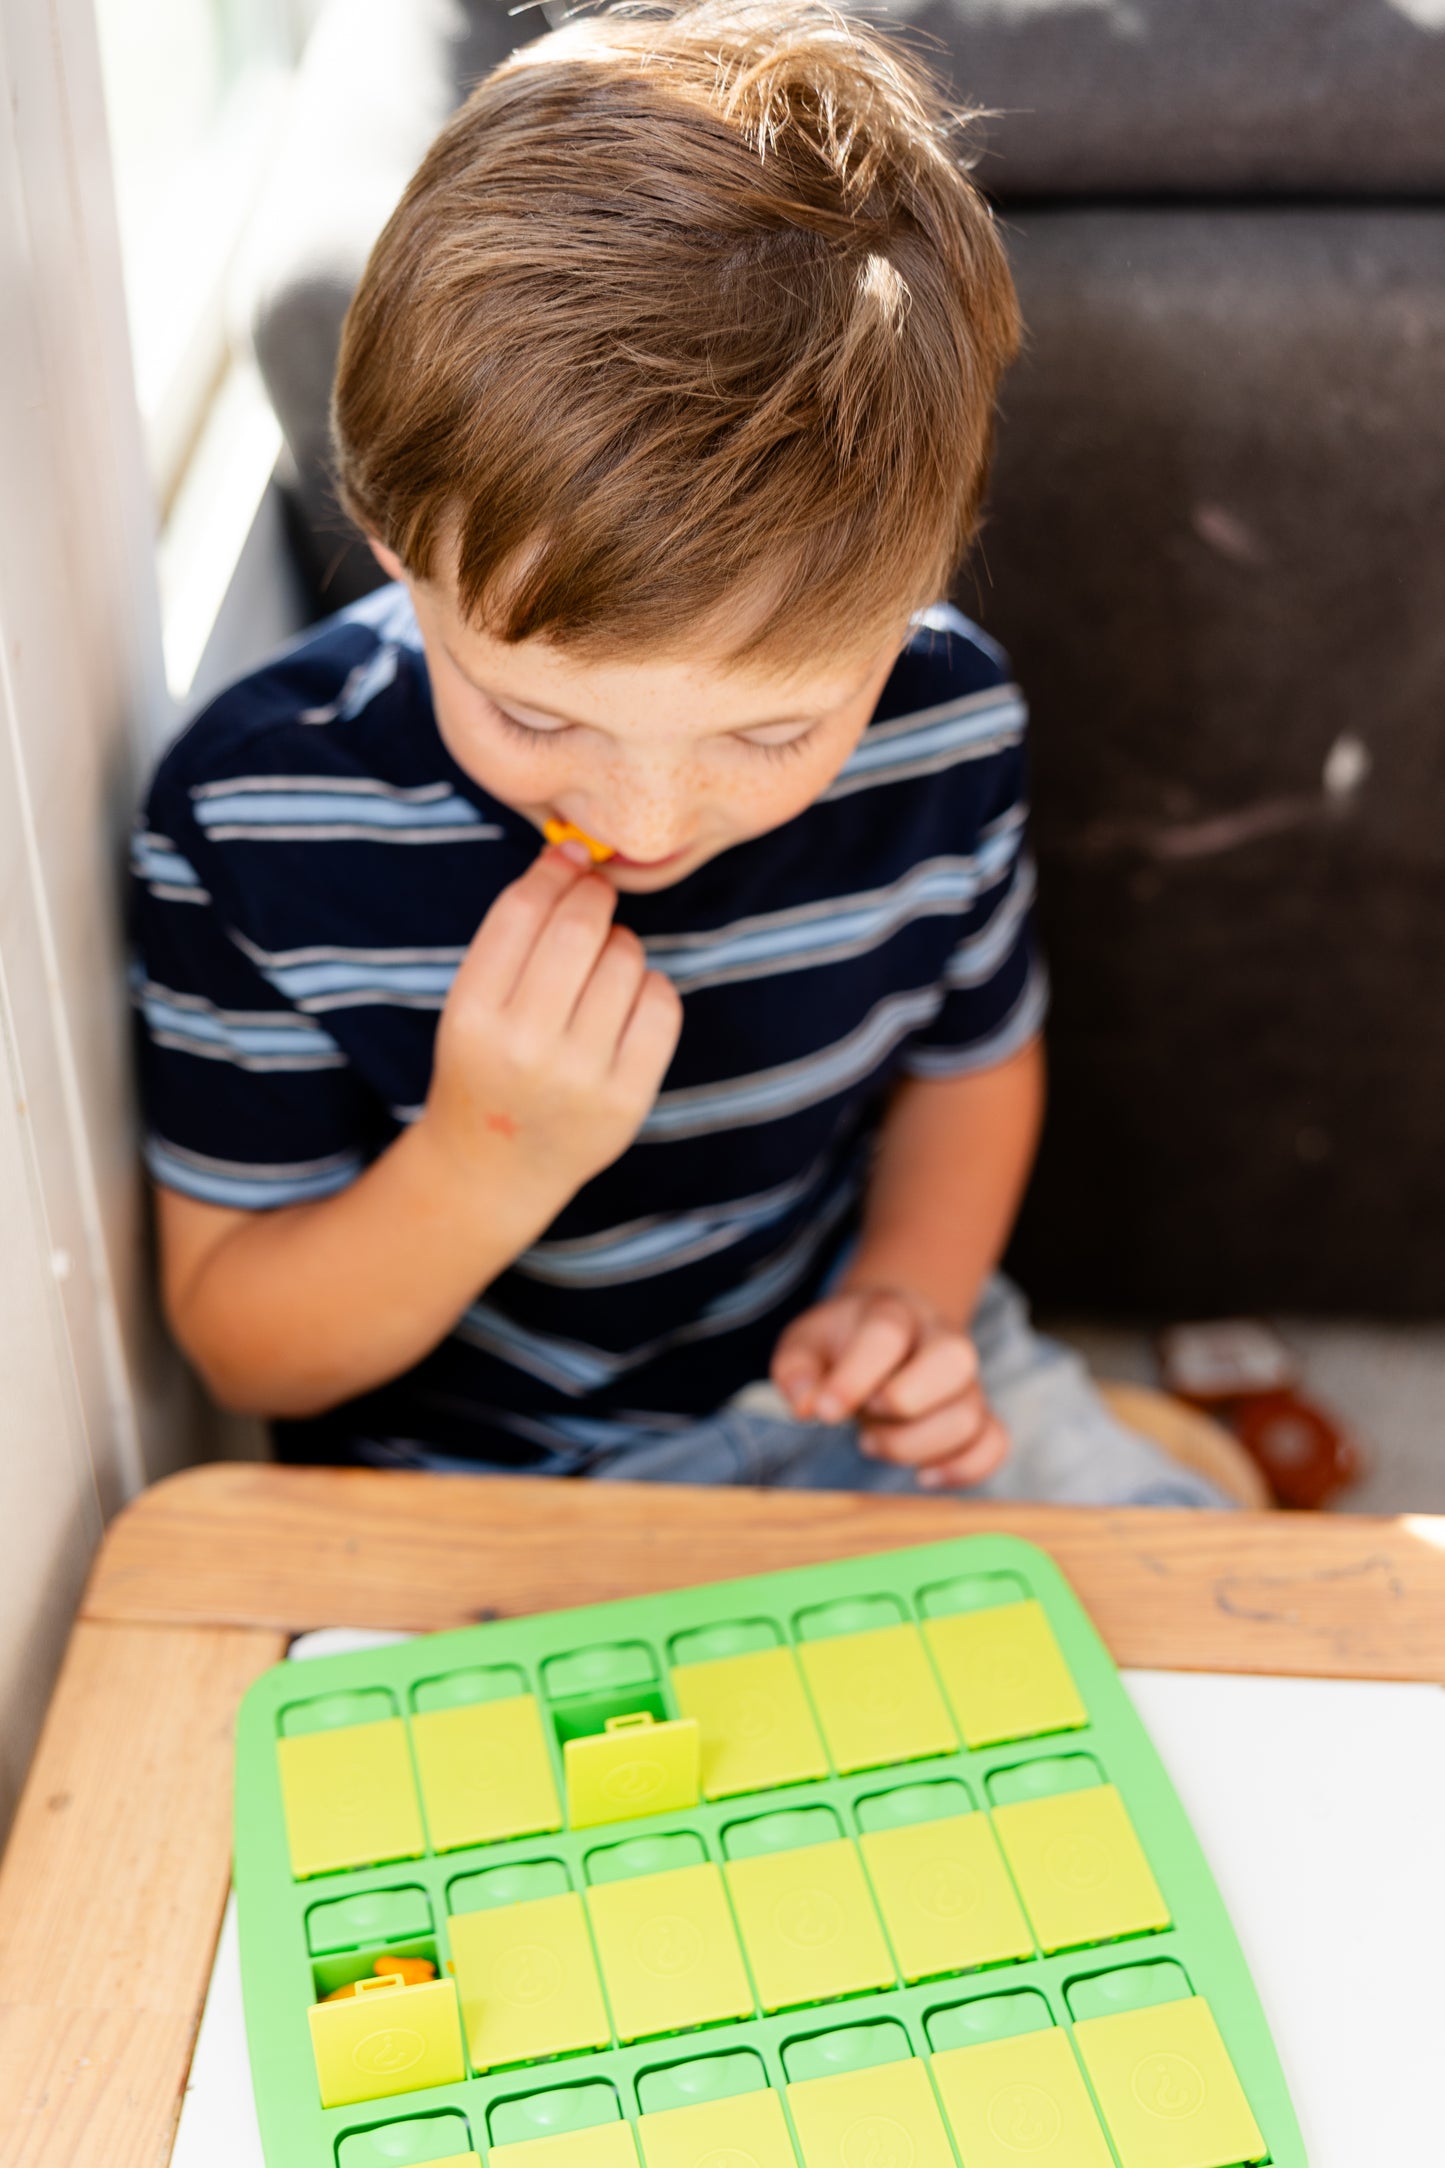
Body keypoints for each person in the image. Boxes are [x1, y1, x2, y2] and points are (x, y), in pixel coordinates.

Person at [131, 0, 1224, 1507]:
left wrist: (904, 1300)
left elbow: (968, 1073)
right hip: (471, 1482)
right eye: (532, 714)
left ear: (914, 592)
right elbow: (247, 1351)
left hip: (841, 1397)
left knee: (1202, 1652)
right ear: (392, 551)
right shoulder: (253, 819)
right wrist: (485, 1160)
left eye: (774, 728)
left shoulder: (944, 719)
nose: (641, 818)